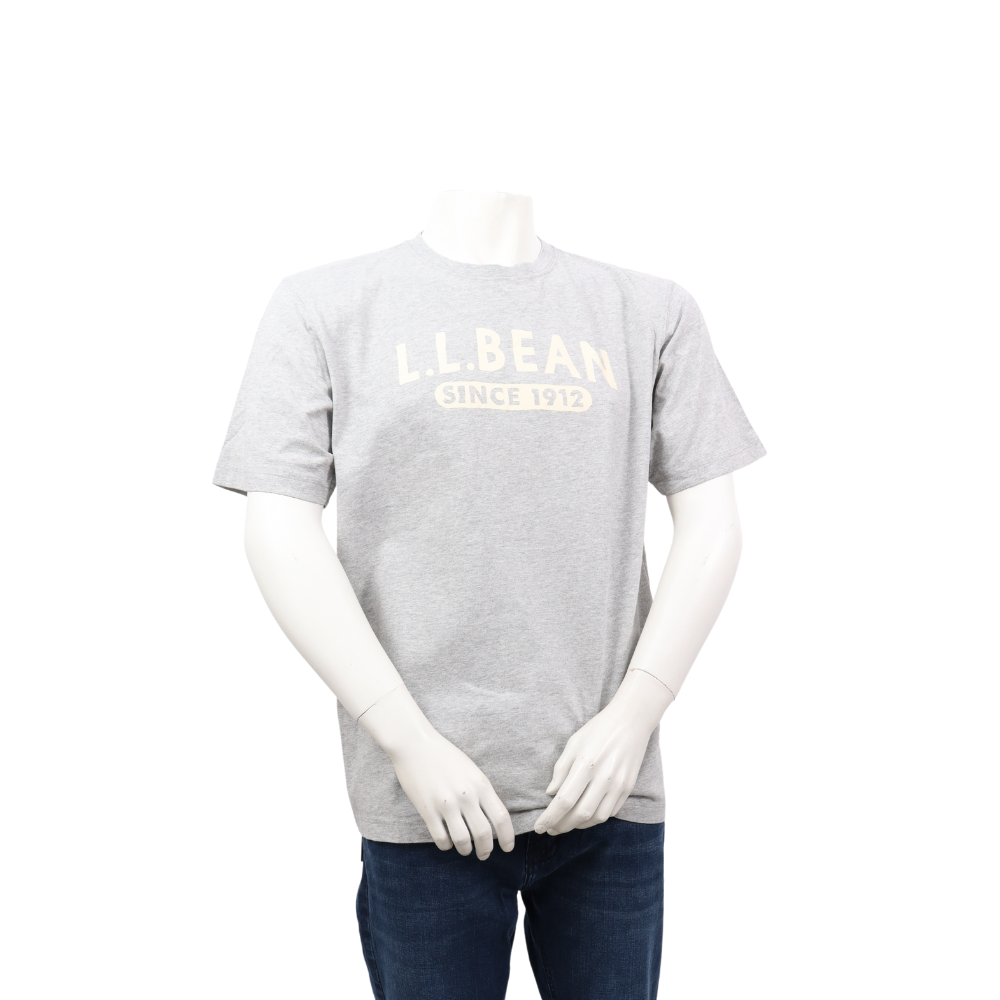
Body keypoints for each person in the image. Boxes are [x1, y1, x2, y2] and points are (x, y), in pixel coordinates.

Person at [213, 190, 765, 999]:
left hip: (607, 790)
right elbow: (278, 530)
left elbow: (713, 524)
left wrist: (635, 714)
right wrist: (407, 740)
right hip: (425, 798)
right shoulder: (323, 306)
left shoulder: (650, 310)